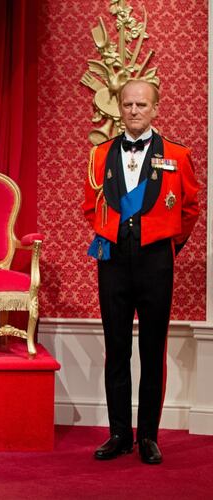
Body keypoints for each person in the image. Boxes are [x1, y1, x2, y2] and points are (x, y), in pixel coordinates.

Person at [83, 79, 200, 464]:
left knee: (152, 349)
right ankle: (119, 434)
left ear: (155, 108)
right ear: (119, 107)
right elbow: (90, 206)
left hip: (155, 262)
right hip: (113, 261)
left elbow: (189, 209)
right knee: (116, 347)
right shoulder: (100, 155)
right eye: (128, 104)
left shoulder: (177, 155)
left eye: (141, 105)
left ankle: (148, 435)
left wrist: (166, 245)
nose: (134, 111)